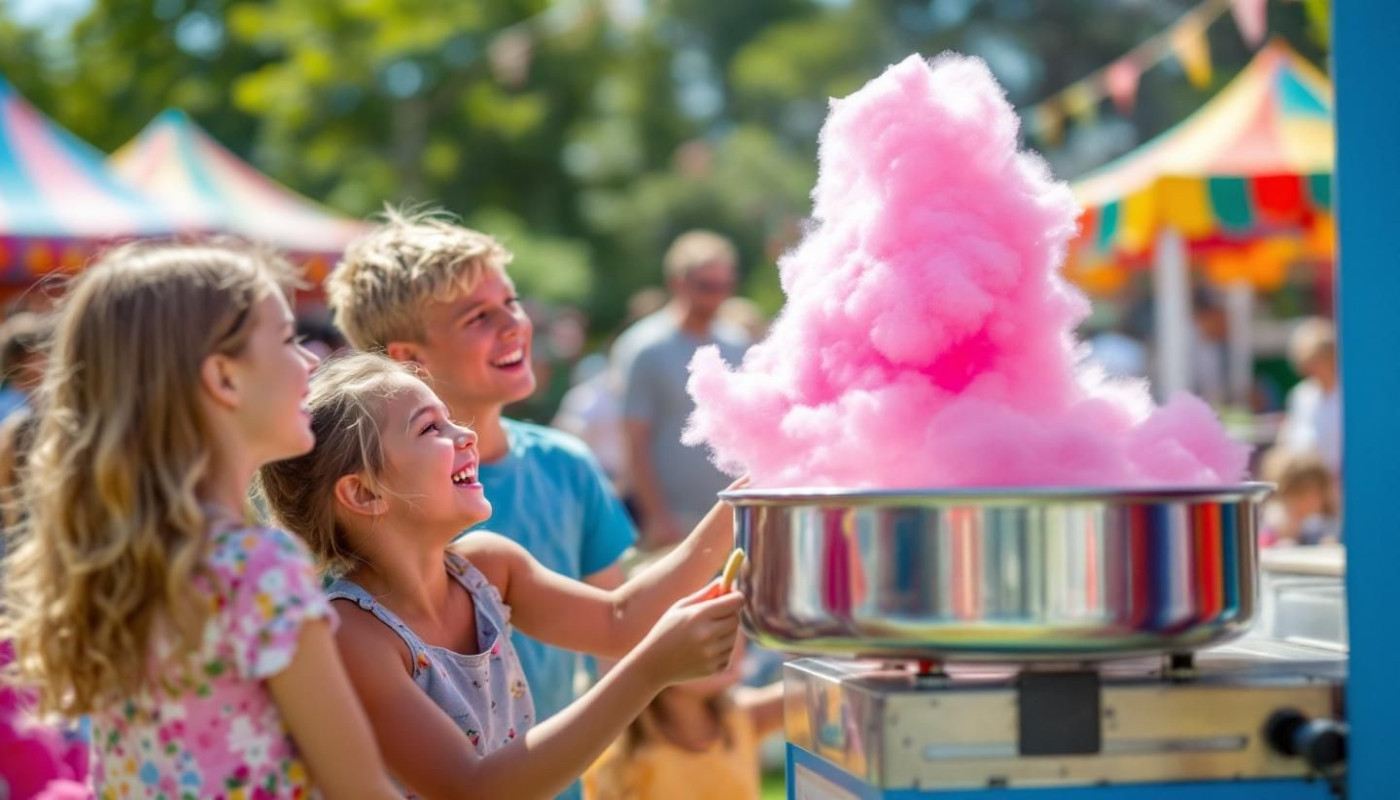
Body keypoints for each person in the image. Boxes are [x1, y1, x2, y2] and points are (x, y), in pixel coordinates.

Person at [1, 241, 400, 799]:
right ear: (224, 378)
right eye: (287, 340)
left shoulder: (118, 560)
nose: (312, 361)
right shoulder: (256, 567)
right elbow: (359, 790)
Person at [257, 352, 745, 798]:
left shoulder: (488, 567)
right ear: (364, 494)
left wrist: (741, 508)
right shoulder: (355, 638)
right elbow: (472, 789)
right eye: (430, 428)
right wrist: (649, 672)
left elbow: (620, 620)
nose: (464, 433)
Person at [324, 208, 643, 799]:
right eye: (478, 316)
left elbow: (618, 627)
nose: (515, 324)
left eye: (512, 301)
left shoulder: (567, 466)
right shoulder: (353, 545)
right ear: (406, 358)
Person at [582, 556, 783, 800]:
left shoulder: (739, 718)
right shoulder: (615, 760)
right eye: (699, 627)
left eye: (726, 617)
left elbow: (819, 692)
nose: (728, 638)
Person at [616, 231, 750, 549]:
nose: (716, 296)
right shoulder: (645, 348)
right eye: (706, 286)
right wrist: (657, 516)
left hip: (732, 518)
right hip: (675, 524)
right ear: (678, 283)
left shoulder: (738, 344)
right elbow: (634, 441)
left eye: (724, 287)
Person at [1278, 317, 1341, 474]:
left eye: (1315, 362)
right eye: (1305, 364)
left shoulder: (1347, 396)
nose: (1309, 369)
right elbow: (1288, 440)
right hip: (1305, 481)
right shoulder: (1300, 395)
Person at [1259, 448, 1340, 547]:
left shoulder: (1315, 527)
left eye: (1318, 492)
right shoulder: (1275, 525)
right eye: (1306, 492)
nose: (1315, 500)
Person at [0, 311, 54, 421]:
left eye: (45, 354)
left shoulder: (51, 398)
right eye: (34, 357)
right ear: (16, 362)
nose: (43, 362)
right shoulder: (6, 408)